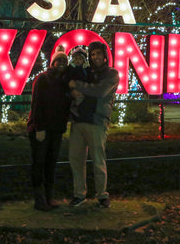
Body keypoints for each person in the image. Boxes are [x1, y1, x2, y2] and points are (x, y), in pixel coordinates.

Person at [68, 41, 119, 208]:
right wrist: (73, 89)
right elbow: (68, 84)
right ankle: (79, 194)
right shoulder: (85, 71)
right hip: (78, 120)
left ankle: (102, 195)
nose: (96, 57)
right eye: (93, 54)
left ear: (105, 56)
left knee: (98, 160)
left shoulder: (112, 74)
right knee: (76, 159)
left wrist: (77, 86)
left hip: (97, 121)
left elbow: (99, 91)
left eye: (98, 53)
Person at [27, 45, 71, 211]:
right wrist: (38, 127)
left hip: (56, 129)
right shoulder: (43, 79)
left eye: (64, 60)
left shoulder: (64, 81)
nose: (61, 62)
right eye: (58, 60)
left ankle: (49, 197)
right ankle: (39, 199)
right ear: (52, 62)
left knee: (51, 163)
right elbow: (37, 104)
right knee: (39, 163)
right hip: (41, 129)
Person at [66, 46, 88, 119]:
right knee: (77, 98)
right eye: (76, 59)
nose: (78, 61)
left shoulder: (85, 69)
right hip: (74, 88)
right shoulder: (71, 68)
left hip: (82, 88)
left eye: (80, 59)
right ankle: (74, 108)